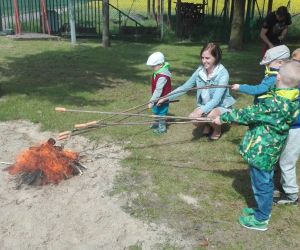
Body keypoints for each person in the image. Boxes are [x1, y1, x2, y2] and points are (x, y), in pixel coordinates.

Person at [213, 60, 300, 231]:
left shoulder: (275, 104)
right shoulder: (291, 97)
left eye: (277, 73)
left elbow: (249, 113)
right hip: (269, 149)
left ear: (279, 77)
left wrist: (224, 118)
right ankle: (260, 210)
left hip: (263, 151)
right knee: (264, 181)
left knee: (262, 184)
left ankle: (261, 219)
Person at [157, 43, 235, 140]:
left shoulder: (223, 74)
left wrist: (201, 111)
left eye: (207, 58)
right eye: (202, 58)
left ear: (216, 57)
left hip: (221, 106)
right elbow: (185, 87)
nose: (204, 61)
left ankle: (217, 129)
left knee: (210, 115)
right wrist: (166, 97)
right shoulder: (200, 71)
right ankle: (208, 123)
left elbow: (216, 99)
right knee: (193, 118)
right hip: (205, 105)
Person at [273, 49, 300, 205]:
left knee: (287, 162)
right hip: (289, 129)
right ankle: (282, 185)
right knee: (281, 158)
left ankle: (291, 195)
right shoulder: (290, 87)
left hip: (295, 130)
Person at [146, 52, 172, 134]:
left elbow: (158, 90)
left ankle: (162, 128)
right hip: (157, 97)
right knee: (156, 111)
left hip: (163, 98)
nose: (152, 68)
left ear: (160, 65)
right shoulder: (158, 72)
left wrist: (152, 101)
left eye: (153, 66)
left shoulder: (163, 76)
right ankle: (156, 123)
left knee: (161, 113)